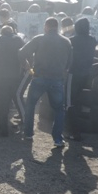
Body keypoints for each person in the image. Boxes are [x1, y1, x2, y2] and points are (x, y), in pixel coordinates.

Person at [18, 17, 72, 148]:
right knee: (59, 109)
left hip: (39, 78)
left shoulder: (39, 39)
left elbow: (21, 52)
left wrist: (26, 65)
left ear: (46, 26)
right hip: (57, 80)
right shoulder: (66, 41)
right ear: (57, 27)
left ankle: (28, 133)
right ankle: (57, 139)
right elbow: (69, 63)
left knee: (31, 105)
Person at [0, 23, 26, 137]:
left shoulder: (0, 40)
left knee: (2, 103)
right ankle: (25, 125)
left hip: (2, 77)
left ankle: (2, 130)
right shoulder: (18, 40)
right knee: (16, 99)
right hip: (15, 76)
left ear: (2, 33)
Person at [66, 17, 97, 141]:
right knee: (77, 102)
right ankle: (76, 130)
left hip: (73, 74)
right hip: (86, 75)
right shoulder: (93, 40)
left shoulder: (72, 40)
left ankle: (74, 133)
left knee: (69, 103)